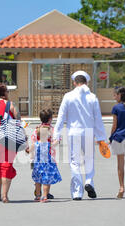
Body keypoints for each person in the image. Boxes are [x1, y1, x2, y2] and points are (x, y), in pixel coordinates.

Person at [53, 70, 106, 200]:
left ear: (74, 82)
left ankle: (77, 192)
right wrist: (101, 138)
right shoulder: (92, 97)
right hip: (88, 132)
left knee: (74, 162)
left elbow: (61, 117)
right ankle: (89, 181)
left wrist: (56, 135)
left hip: (73, 133)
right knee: (89, 159)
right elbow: (98, 118)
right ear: (86, 82)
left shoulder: (68, 96)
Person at [29, 109, 62, 203]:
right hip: (49, 157)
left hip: (37, 158)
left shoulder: (36, 129)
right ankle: (45, 194)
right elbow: (54, 143)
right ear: (50, 119)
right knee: (47, 176)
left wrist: (31, 158)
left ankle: (38, 195)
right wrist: (58, 140)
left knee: (38, 176)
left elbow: (33, 143)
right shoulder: (52, 129)